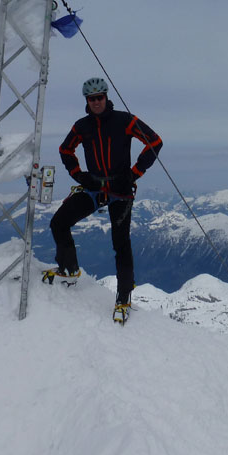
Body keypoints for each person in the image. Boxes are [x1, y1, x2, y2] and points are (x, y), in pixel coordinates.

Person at [46, 77, 163, 322]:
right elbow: (65, 150)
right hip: (95, 187)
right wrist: (79, 175)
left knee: (121, 243)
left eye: (100, 97)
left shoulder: (124, 120)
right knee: (59, 222)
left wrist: (134, 174)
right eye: (92, 98)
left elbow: (155, 142)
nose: (96, 102)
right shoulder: (82, 126)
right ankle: (68, 269)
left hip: (120, 190)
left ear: (106, 97)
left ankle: (123, 298)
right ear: (87, 101)